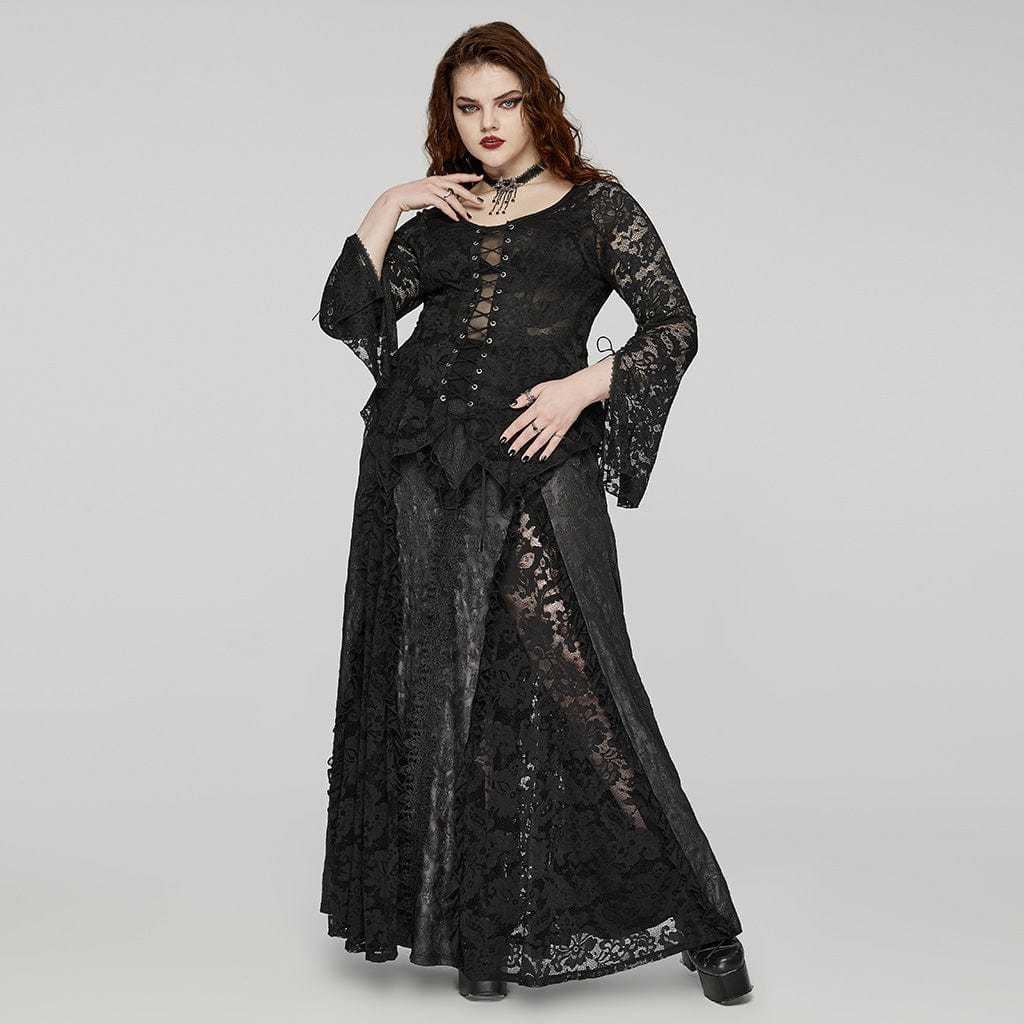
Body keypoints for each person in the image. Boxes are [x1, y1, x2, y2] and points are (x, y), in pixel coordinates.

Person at [311, 20, 752, 1004]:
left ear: (536, 104)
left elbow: (674, 325)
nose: (488, 124)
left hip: (536, 461)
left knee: (586, 677)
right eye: (468, 106)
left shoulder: (596, 207)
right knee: (442, 684)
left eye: (505, 102)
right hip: (418, 465)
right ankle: (478, 935)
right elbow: (348, 314)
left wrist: (583, 387)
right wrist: (390, 202)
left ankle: (706, 924)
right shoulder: (443, 213)